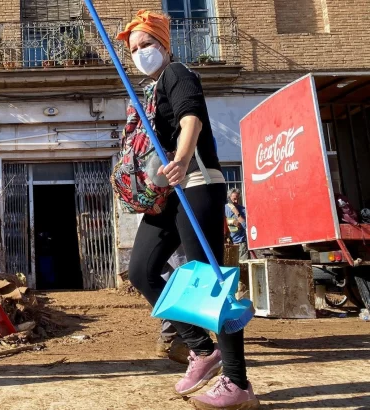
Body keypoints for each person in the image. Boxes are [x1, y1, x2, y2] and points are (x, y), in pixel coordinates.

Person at [116, 11, 259, 409]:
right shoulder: (151, 89)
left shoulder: (178, 73)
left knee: (213, 282)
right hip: (168, 195)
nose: (141, 53)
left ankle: (237, 383)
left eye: (147, 45)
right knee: (143, 270)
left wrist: (180, 160)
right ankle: (200, 348)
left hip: (196, 185)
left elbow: (190, 118)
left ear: (164, 45)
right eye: (134, 49)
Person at [156, 246, 190, 365]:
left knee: (169, 283)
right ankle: (186, 341)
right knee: (190, 282)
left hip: (158, 236)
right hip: (180, 235)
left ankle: (167, 339)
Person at [226, 189, 249, 261]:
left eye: (237, 199)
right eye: (234, 199)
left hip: (241, 243)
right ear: (229, 198)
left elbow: (246, 226)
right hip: (229, 243)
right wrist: (230, 222)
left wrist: (237, 213)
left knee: (243, 266)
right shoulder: (224, 208)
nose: (236, 201)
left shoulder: (242, 210)